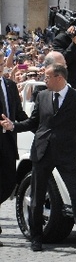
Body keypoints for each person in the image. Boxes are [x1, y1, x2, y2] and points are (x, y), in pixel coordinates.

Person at [0, 63, 76, 252]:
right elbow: (33, 122)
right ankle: (36, 237)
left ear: (59, 77)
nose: (44, 81)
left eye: (47, 77)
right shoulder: (42, 96)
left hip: (66, 155)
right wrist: (13, 126)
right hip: (42, 151)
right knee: (37, 197)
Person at [0, 53, 29, 246]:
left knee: (9, 183)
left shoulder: (9, 85)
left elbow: (18, 113)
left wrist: (37, 123)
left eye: (1, 61)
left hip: (8, 142)